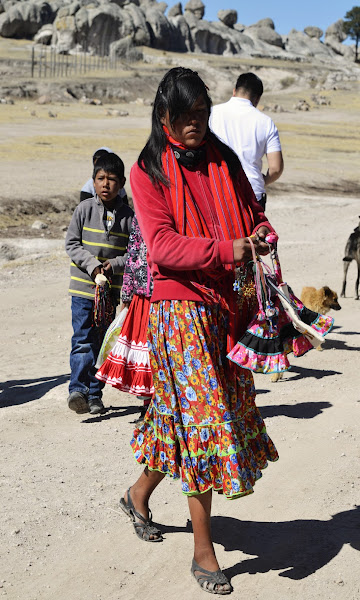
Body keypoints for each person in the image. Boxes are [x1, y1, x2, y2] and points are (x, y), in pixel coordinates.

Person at [120, 67, 279, 595]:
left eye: (201, 116)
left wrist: (257, 231)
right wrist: (225, 249)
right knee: (205, 419)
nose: (195, 126)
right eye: (185, 117)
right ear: (164, 115)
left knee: (180, 416)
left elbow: (251, 210)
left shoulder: (222, 159)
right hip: (178, 310)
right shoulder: (148, 171)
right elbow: (163, 246)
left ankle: (138, 494)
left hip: (222, 302)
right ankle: (204, 550)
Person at [65, 152, 134, 415]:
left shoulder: (129, 216)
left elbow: (134, 253)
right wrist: (93, 266)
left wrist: (114, 266)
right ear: (93, 181)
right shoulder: (83, 210)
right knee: (83, 339)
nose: (106, 184)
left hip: (110, 294)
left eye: (112, 179)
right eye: (101, 178)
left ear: (122, 182)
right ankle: (78, 390)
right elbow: (71, 243)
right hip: (83, 290)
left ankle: (95, 395)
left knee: (102, 341)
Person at [96, 214, 154, 425]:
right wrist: (127, 296)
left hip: (170, 293)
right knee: (147, 354)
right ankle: (149, 408)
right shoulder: (141, 215)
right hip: (144, 295)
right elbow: (133, 255)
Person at [209, 72, 284, 210]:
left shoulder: (211, 114)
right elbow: (276, 168)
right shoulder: (266, 122)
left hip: (216, 190)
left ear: (234, 91)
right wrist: (263, 180)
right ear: (257, 99)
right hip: (252, 192)